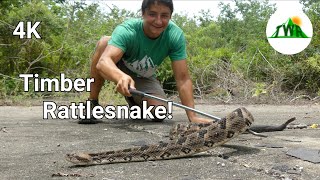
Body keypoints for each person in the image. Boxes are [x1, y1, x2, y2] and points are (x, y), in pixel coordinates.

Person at [79, 0, 211, 124]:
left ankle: (134, 101)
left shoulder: (175, 36)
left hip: (143, 76)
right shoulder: (127, 30)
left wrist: (192, 116)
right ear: (142, 14)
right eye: (152, 14)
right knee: (104, 43)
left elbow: (183, 79)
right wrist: (120, 76)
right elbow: (103, 63)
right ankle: (92, 103)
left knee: (160, 112)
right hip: (118, 67)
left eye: (164, 15)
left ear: (171, 16)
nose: (158, 21)